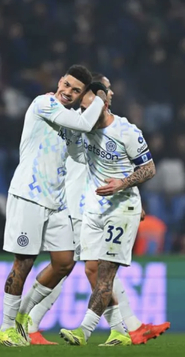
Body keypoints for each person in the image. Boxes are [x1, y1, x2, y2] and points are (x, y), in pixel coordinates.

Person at [26, 74, 170, 345]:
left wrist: (130, 197)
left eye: (110, 89)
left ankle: (126, 328)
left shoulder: (113, 128)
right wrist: (51, 98)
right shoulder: (76, 124)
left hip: (96, 203)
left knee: (93, 267)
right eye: (106, 89)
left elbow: (125, 167)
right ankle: (30, 322)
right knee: (72, 266)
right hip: (77, 205)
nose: (111, 93)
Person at [0, 65, 107, 347]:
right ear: (59, 82)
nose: (68, 91)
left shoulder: (70, 122)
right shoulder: (43, 103)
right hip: (28, 196)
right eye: (66, 85)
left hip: (56, 201)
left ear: (80, 95)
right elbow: (83, 123)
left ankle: (23, 316)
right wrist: (100, 98)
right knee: (24, 262)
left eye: (75, 90)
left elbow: (80, 155)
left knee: (64, 263)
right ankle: (6, 328)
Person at [58, 88, 157, 346]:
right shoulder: (83, 129)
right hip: (93, 209)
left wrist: (123, 184)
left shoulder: (126, 131)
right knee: (91, 269)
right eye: (83, 109)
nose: (87, 114)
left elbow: (149, 168)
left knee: (105, 274)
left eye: (91, 108)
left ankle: (83, 331)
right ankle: (119, 332)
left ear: (104, 106)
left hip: (121, 210)